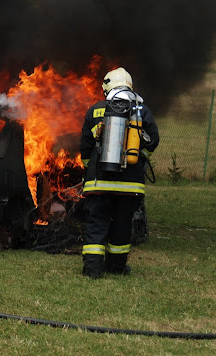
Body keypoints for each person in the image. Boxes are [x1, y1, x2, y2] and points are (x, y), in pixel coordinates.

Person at [79, 67, 159, 278]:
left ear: (107, 87)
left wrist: (89, 167)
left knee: (97, 223)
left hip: (100, 182)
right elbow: (153, 140)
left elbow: (86, 147)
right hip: (130, 186)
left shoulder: (96, 110)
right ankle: (117, 267)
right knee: (122, 225)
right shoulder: (142, 110)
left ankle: (93, 269)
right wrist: (139, 158)